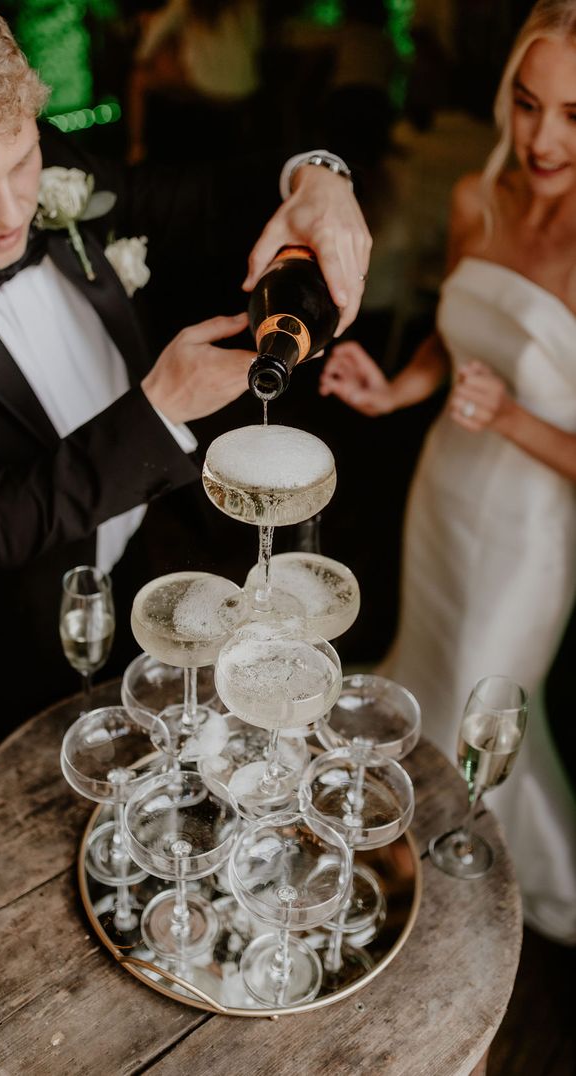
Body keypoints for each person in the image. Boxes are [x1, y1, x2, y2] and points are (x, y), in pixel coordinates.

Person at [0, 0, 370, 741]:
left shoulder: (48, 169)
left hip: (138, 548)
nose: (12, 211)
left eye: (23, 161)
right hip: (25, 629)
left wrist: (319, 177)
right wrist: (160, 406)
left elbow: (187, 199)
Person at [319, 0, 576, 944]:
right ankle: (409, 855)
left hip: (530, 530)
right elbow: (454, 325)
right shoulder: (480, 195)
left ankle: (482, 902)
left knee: (483, 698)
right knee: (424, 667)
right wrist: (395, 391)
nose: (542, 136)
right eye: (527, 101)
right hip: (444, 490)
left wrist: (507, 415)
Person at [125, 0, 263, 165]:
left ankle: (136, 149)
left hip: (205, 86)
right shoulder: (246, 5)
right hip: (244, 86)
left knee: (138, 80)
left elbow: (151, 41)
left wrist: (143, 54)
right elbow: (256, 41)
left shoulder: (186, 4)